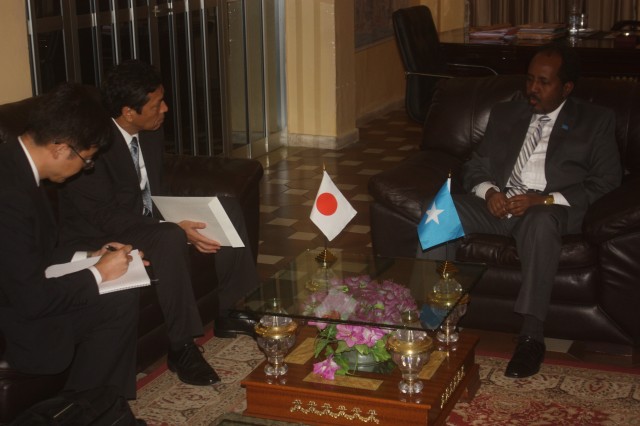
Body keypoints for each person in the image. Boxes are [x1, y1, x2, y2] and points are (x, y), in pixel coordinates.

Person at [421, 43, 622, 378]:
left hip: (547, 210)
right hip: (498, 206)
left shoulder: (595, 121)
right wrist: (489, 192)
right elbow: (475, 165)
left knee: (540, 222)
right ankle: (434, 319)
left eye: (543, 82)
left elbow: (607, 182)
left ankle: (531, 337)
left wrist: (543, 200)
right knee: (441, 213)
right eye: (529, 80)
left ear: (566, 87)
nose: (532, 89)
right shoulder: (506, 113)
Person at [57, 60, 260, 386]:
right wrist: (171, 227)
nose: (165, 109)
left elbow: (156, 187)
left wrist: (176, 215)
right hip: (104, 231)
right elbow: (103, 215)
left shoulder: (150, 131)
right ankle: (182, 347)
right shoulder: (93, 142)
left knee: (226, 207)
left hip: (147, 218)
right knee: (168, 238)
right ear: (128, 112)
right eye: (156, 104)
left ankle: (229, 312)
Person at [0, 83, 141, 403]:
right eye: (87, 160)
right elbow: (31, 299)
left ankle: (100, 408)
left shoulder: (14, 164)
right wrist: (98, 273)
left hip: (20, 291)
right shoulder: (10, 196)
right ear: (61, 149)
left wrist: (89, 256)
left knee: (116, 291)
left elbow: (28, 252)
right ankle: (89, 409)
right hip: (14, 316)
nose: (85, 168)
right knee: (117, 300)